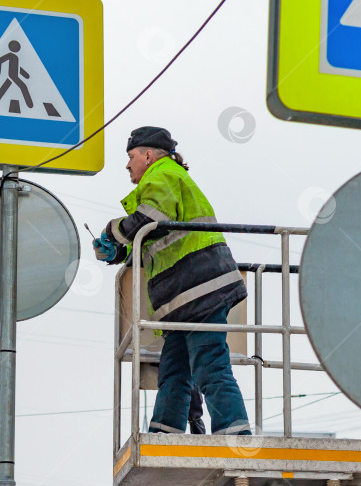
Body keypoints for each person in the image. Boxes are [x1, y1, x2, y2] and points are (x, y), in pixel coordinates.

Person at [93, 126, 251, 436]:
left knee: (209, 366)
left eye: (131, 156)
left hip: (199, 291)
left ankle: (234, 433)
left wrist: (113, 232)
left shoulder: (162, 174)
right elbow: (154, 233)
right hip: (186, 297)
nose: (127, 164)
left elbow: (152, 219)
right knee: (175, 371)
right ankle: (165, 431)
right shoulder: (166, 177)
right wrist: (118, 250)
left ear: (148, 155)